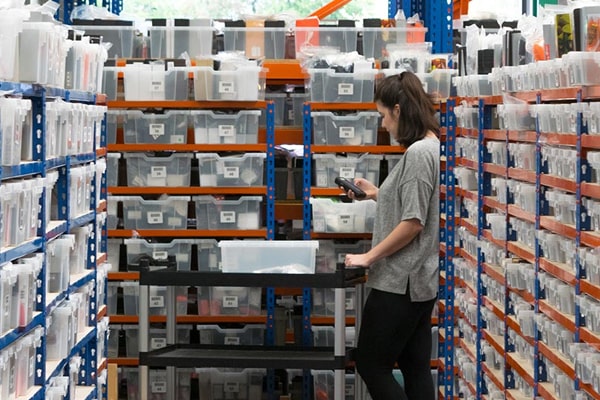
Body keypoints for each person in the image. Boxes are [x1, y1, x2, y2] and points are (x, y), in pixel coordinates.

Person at [341, 70, 440, 400]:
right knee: (415, 367)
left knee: (371, 365)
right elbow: (414, 205)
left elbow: (413, 222)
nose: (383, 125)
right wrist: (376, 194)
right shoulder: (430, 146)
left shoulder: (417, 154)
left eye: (383, 115)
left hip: (399, 282)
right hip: (419, 281)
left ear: (398, 110)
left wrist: (368, 257)